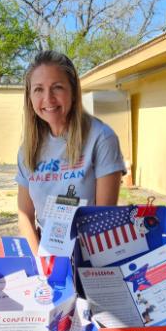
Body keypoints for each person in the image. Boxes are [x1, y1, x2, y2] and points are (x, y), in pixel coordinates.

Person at [16, 50, 127, 254]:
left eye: (57, 87)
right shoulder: (27, 149)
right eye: (38, 89)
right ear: (30, 97)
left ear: (74, 92)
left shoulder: (101, 138)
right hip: (47, 254)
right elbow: (25, 216)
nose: (48, 98)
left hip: (91, 254)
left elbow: (103, 218)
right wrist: (41, 262)